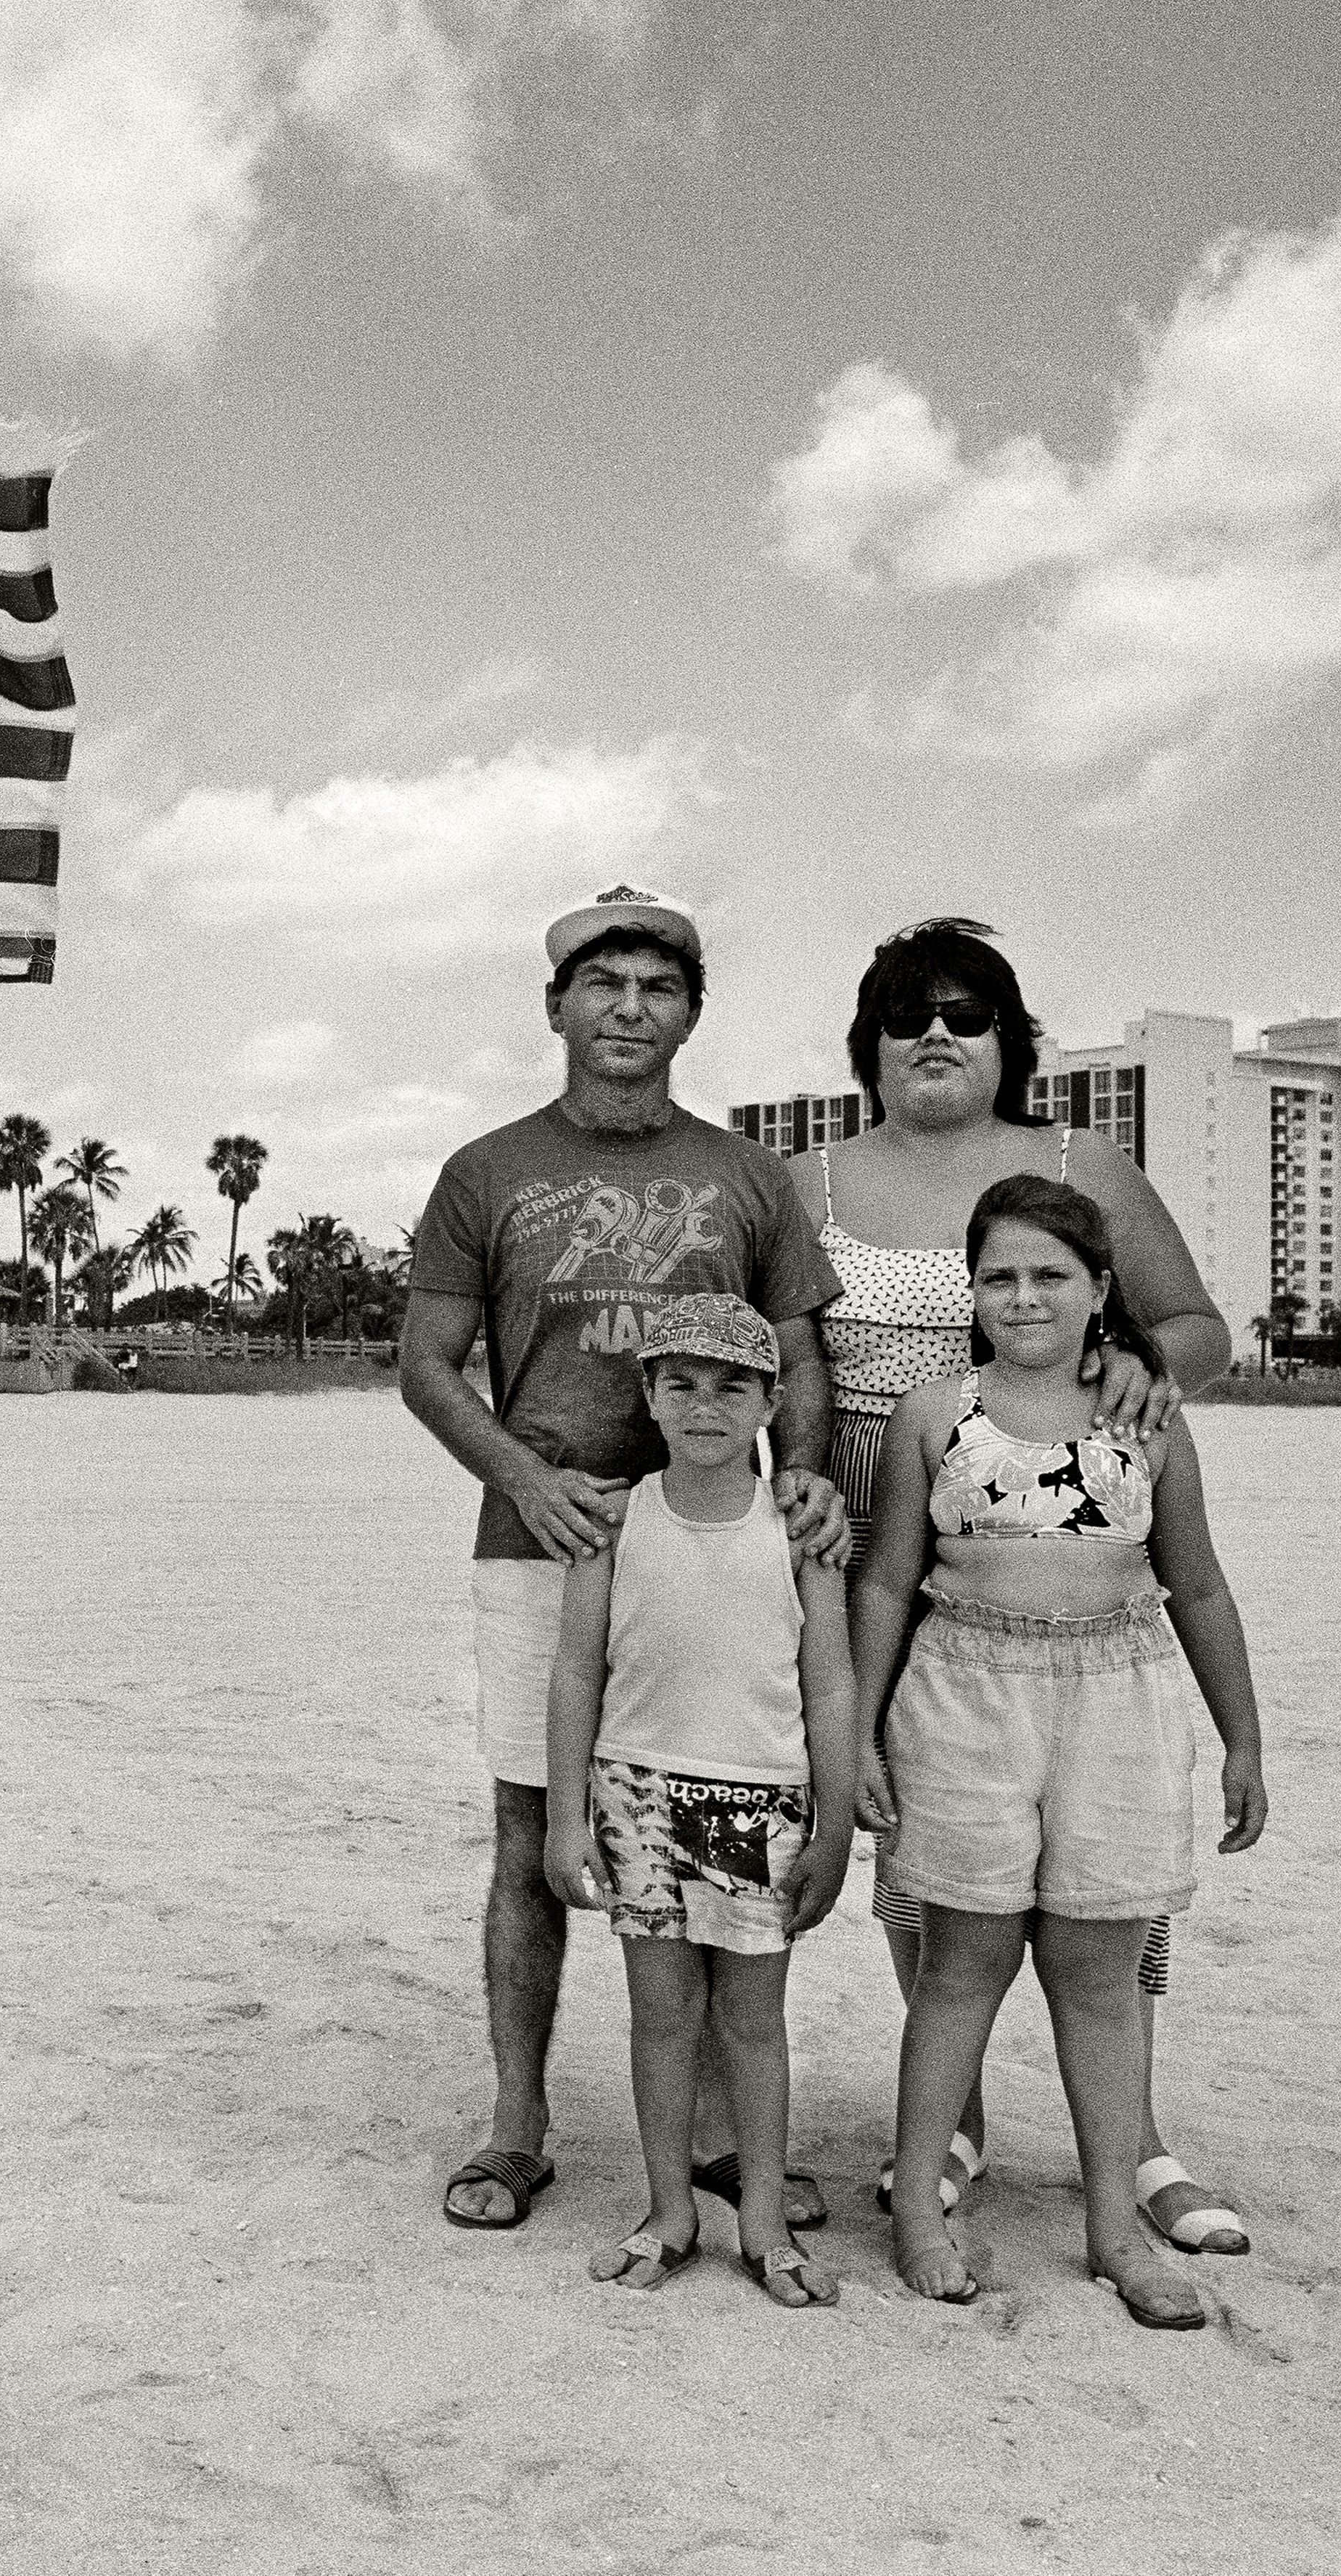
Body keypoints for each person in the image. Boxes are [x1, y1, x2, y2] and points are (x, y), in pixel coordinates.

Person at [795, 918, 1250, 2255]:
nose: (938, 1033)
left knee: (1104, 1864)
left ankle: (1142, 2137)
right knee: (925, 1854)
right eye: (908, 1013)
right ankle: (957, 2123)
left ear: (1011, 1042)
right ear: (869, 1042)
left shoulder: (1080, 1163)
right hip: (878, 1533)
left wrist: (1136, 1370)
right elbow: (787, 1362)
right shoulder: (804, 1174)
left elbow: (1196, 1326)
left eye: (969, 1013)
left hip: (1055, 1521)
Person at [401, 886, 845, 2237]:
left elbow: (803, 1350)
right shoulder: (487, 1171)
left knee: (714, 1816)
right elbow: (426, 1364)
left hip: (712, 1546)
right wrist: (526, 1477)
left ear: (691, 1014)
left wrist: (805, 1480)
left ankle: (714, 2138)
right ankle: (519, 2125)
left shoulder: (748, 1174)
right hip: (543, 1541)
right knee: (538, 1835)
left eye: (659, 988)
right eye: (604, 986)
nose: (630, 1010)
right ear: (557, 1007)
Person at [851, 1178, 1268, 2328]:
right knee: (961, 1963)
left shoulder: (1147, 1417)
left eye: (1051, 1275)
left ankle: (1113, 2232)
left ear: (1099, 1294)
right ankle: (922, 2213)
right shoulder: (936, 1414)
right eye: (999, 1276)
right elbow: (888, 1578)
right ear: (971, 1293)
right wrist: (861, 1732)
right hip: (965, 1699)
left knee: (1098, 1975)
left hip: (1118, 1700)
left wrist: (1244, 1736)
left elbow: (1199, 1580)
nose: (1023, 1296)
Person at [544, 1297, 856, 2303]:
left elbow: (832, 1684)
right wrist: (562, 1815)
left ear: (771, 1399)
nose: (705, 1406)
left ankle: (761, 2216)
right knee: (661, 2012)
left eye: (732, 1386)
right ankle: (671, 2209)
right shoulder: (614, 1520)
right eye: (681, 1382)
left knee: (754, 2021)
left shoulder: (800, 1531)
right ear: (649, 1394)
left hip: (759, 1798)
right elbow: (575, 1673)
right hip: (636, 1789)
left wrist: (837, 1819)